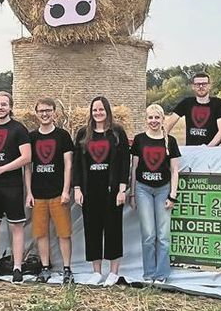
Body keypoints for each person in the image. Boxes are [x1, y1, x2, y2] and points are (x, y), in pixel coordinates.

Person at [73, 96, 129, 287]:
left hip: (112, 191)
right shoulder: (83, 134)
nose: (98, 113)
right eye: (95, 110)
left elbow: (124, 163)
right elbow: (77, 165)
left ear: (107, 111)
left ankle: (113, 272)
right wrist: (77, 188)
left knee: (113, 230)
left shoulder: (117, 133)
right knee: (92, 230)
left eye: (101, 110)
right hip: (90, 191)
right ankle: (96, 272)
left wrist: (122, 189)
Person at [0, 91, 31, 283]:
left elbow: (26, 157)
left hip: (12, 184)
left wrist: (4, 169)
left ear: (10, 107)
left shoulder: (19, 129)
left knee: (16, 226)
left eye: (4, 104)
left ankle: (17, 266)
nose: (0, 108)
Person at [130, 104, 181, 283]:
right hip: (143, 189)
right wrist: (132, 194)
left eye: (157, 118)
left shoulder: (171, 141)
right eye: (150, 118)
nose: (153, 121)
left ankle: (162, 274)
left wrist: (172, 195)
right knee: (149, 234)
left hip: (163, 189)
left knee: (163, 235)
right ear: (146, 120)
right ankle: (149, 273)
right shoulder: (139, 140)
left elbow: (175, 171)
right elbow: (134, 168)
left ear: (162, 120)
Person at [27, 98, 75, 284]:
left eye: (48, 110)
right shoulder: (32, 137)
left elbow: (68, 165)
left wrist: (65, 191)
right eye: (41, 111)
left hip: (57, 193)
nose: (45, 114)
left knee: (63, 233)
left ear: (54, 112)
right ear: (36, 113)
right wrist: (29, 193)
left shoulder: (62, 136)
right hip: (38, 194)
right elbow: (28, 167)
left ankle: (67, 269)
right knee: (41, 233)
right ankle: (45, 267)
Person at [165, 72, 221, 146]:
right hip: (191, 150)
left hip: (213, 150)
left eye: (204, 84)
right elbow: (169, 123)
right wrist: (162, 141)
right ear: (193, 86)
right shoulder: (186, 103)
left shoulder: (218, 103)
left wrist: (208, 148)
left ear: (209, 86)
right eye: (197, 84)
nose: (201, 86)